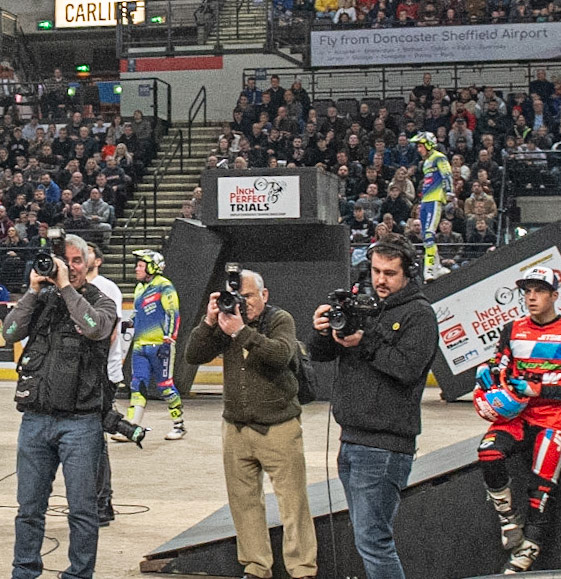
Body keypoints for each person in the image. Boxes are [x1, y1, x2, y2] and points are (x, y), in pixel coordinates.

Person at [307, 237, 437, 579]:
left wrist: (366, 339)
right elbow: (320, 355)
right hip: (351, 440)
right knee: (368, 539)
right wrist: (323, 331)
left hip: (384, 447)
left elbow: (406, 368)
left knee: (374, 541)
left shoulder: (420, 315)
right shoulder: (365, 309)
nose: (381, 280)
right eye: (376, 271)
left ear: (408, 273)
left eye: (390, 273)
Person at [184, 268, 315, 579]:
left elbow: (281, 354)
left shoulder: (279, 319)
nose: (243, 302)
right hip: (236, 429)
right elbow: (192, 354)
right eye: (237, 296)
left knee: (293, 505)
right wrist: (210, 321)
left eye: (249, 296)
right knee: (244, 504)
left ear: (264, 295)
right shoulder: (228, 321)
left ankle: (303, 569)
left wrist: (241, 331)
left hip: (279, 427)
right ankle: (256, 566)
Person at [3, 234, 117, 579]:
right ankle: (24, 571)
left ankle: (79, 574)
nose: (69, 268)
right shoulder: (42, 299)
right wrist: (33, 291)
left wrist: (67, 287)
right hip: (36, 419)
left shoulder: (102, 300)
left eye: (76, 261)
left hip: (81, 423)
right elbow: (9, 332)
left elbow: (95, 328)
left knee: (82, 510)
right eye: (63, 262)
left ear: (89, 262)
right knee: (29, 508)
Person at [474, 265, 561, 573]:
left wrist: (538, 388)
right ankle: (508, 520)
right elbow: (500, 363)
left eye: (539, 291)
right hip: (518, 416)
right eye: (527, 291)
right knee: (489, 450)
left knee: (541, 489)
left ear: (554, 295)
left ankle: (527, 554)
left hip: (554, 420)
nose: (531, 297)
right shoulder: (512, 328)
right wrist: (488, 375)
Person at [85, 241, 128, 526]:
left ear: (97, 260)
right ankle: (96, 501)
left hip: (101, 373)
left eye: (86, 253)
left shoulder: (107, 287)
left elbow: (110, 332)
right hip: (81, 373)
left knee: (94, 439)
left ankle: (102, 502)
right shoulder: (70, 288)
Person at [126, 249, 186, 441]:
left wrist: (169, 340)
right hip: (139, 346)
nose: (137, 268)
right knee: (137, 385)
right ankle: (130, 428)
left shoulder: (164, 286)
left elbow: (173, 314)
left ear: (152, 267)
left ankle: (179, 424)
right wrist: (130, 322)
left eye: (141, 265)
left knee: (165, 387)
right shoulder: (139, 288)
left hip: (160, 346)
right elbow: (138, 312)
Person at [413, 130, 454, 279]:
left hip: (435, 199)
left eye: (420, 146)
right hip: (425, 200)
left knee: (429, 233)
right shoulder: (426, 162)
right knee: (425, 236)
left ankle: (429, 268)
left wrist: (450, 193)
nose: (418, 149)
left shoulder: (439, 157)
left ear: (429, 144)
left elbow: (447, 175)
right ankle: (437, 267)